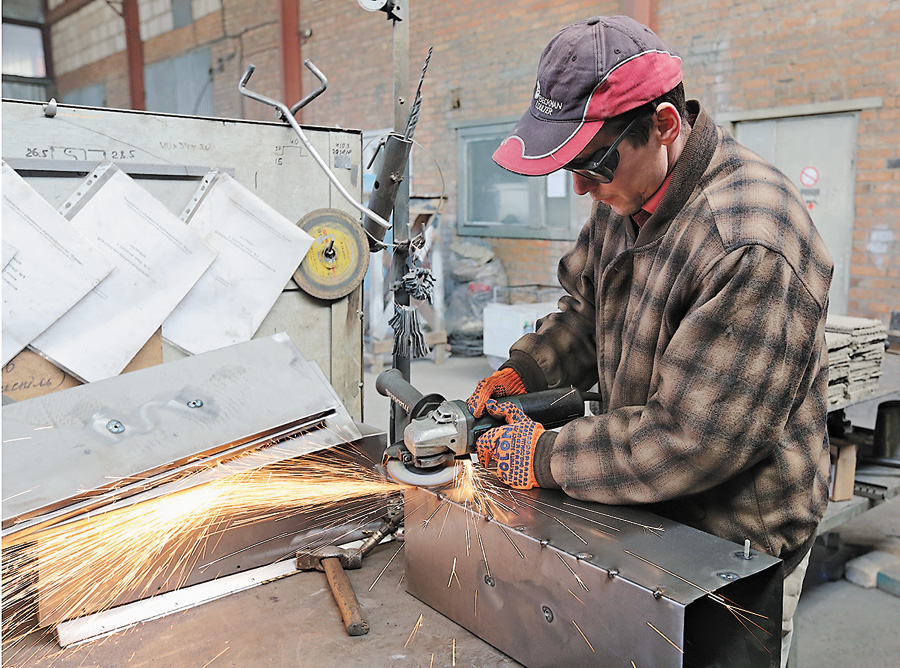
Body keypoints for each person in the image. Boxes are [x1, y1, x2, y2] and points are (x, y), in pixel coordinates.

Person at [467, 16, 833, 667]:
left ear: (665, 124)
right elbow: (587, 308)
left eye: (594, 162)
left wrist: (545, 455)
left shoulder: (748, 239)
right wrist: (528, 370)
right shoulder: (623, 188)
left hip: (733, 539)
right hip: (646, 496)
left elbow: (685, 439)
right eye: (572, 166)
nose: (581, 186)